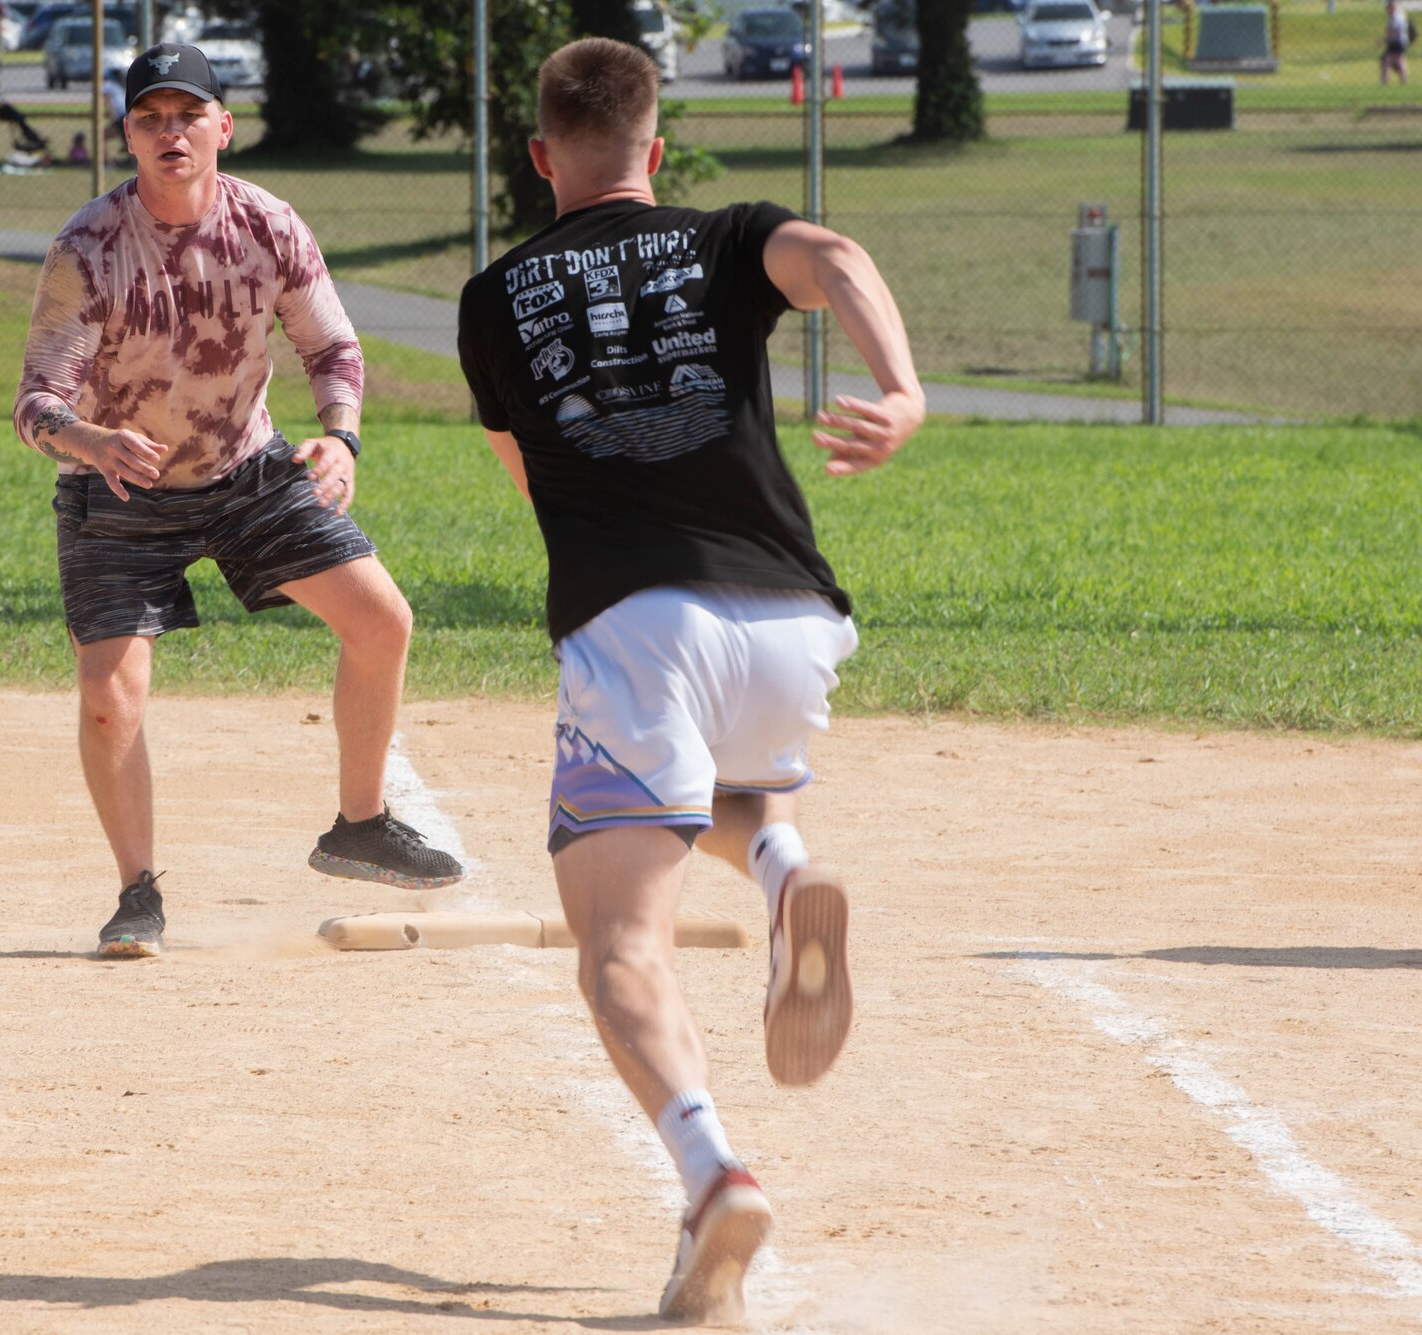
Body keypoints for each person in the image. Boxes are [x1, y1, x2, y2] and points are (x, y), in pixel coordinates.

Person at [455, 38, 924, 1324]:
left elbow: (524, 472)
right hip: (789, 612)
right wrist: (901, 392)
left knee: (619, 942)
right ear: (654, 152)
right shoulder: (724, 233)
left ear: (541, 156)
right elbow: (834, 262)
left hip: (633, 614)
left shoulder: (494, 297)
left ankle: (712, 1173)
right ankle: (782, 870)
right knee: (728, 800)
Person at [12, 43, 465, 960]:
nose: (170, 131)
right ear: (129, 137)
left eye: (188, 115)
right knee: (110, 698)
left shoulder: (268, 225)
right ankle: (138, 892)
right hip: (120, 489)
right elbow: (36, 403)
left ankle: (360, 823)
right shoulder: (87, 247)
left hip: (248, 470)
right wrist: (91, 441)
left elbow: (334, 349)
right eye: (150, 118)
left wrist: (339, 437)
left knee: (381, 618)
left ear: (224, 127)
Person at [99, 67, 126, 165]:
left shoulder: (107, 86)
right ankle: (132, 162)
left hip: (121, 116)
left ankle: (107, 162)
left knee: (100, 136)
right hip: (127, 114)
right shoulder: (117, 86)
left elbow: (109, 102)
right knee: (128, 141)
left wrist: (112, 115)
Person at [1384, 0, 1413, 84]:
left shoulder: (1397, 17)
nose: (1387, 9)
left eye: (1389, 7)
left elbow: (1396, 30)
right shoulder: (1394, 16)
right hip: (1395, 41)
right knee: (1391, 60)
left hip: (1397, 41)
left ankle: (1400, 79)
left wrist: (1386, 38)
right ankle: (1388, 79)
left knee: (1396, 60)